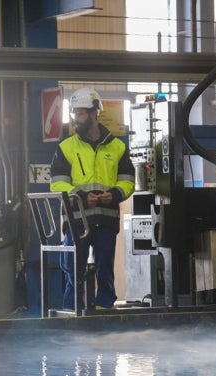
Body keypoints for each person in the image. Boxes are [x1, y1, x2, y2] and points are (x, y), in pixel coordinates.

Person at [50, 88, 135, 310]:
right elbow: (57, 183)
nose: (76, 118)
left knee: (105, 268)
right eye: (74, 113)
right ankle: (72, 310)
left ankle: (104, 309)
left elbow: (128, 180)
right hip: (77, 219)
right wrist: (80, 197)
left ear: (95, 113)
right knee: (72, 268)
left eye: (80, 113)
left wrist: (114, 194)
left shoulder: (118, 147)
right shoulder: (65, 148)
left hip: (106, 218)